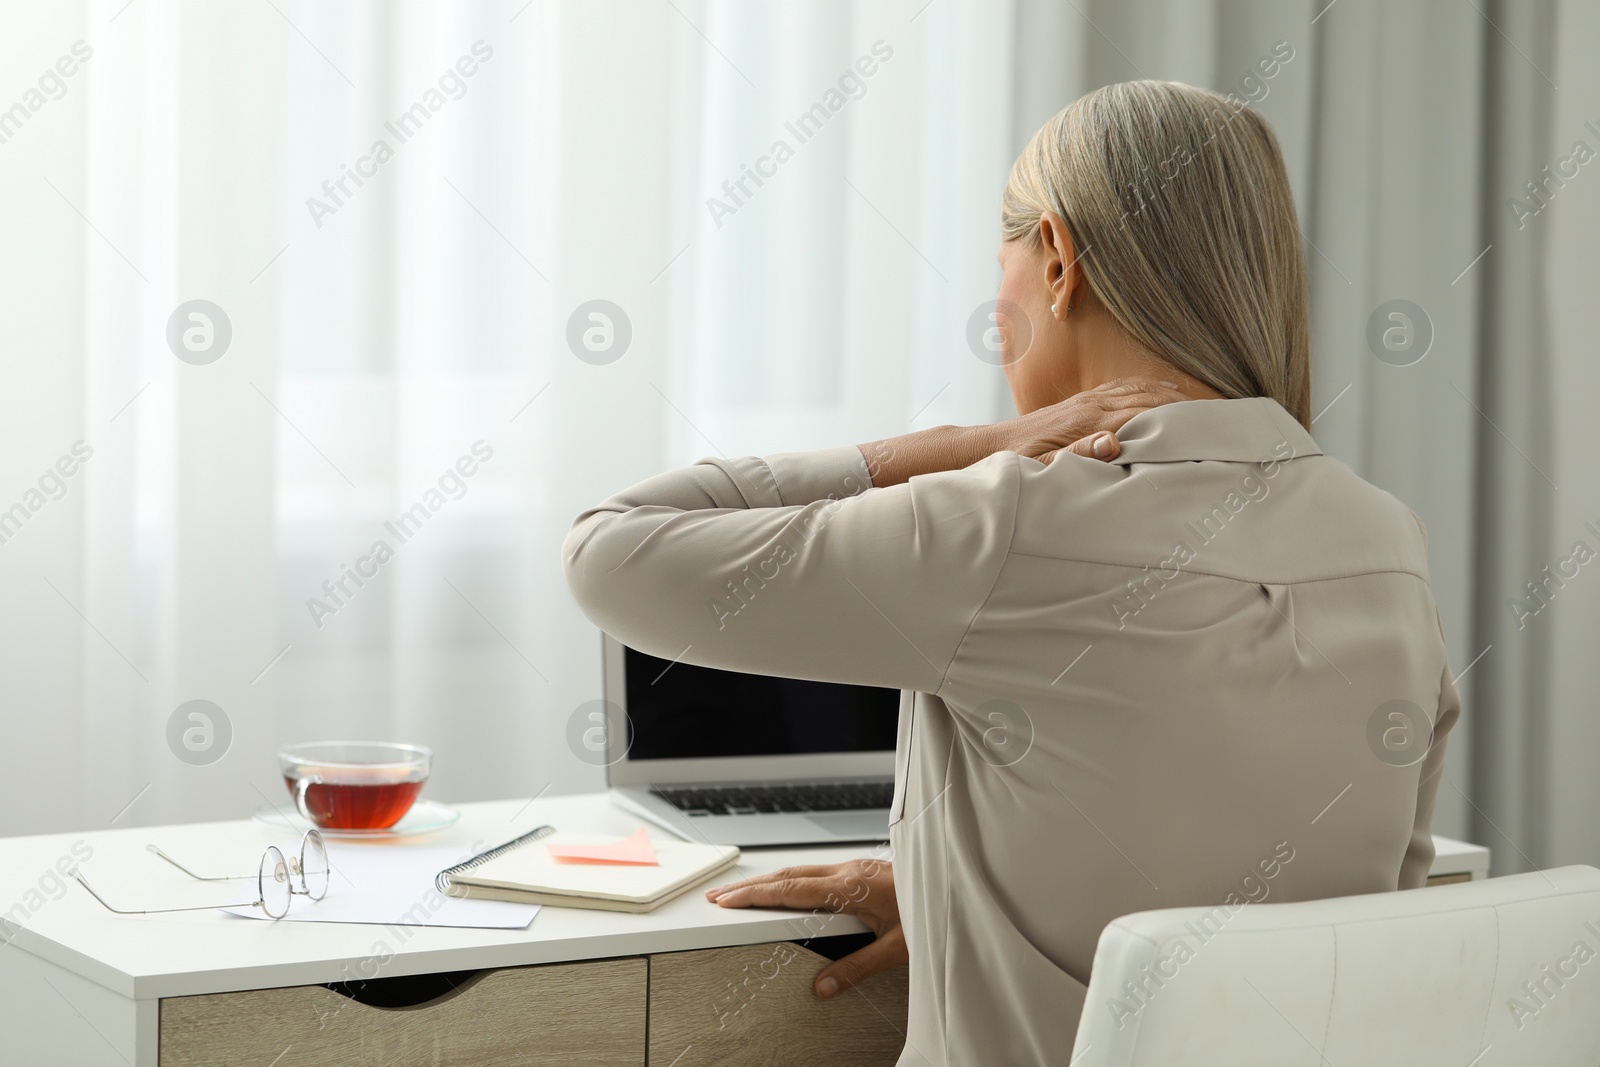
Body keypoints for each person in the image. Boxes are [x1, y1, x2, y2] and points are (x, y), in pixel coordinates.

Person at [564, 80, 1456, 1065]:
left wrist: (964, 444)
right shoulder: (1388, 542)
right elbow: (1358, 917)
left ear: (1059, 262)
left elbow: (611, 549)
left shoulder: (1012, 521)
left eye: (1003, 270)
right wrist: (961, 896)